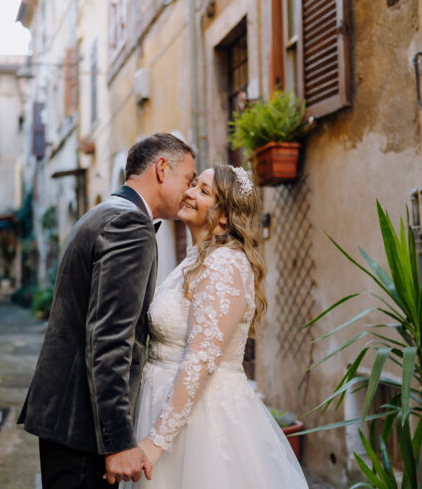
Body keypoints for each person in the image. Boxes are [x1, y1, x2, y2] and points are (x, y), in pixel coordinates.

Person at [18, 133, 196, 489]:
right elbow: (109, 340)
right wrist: (117, 443)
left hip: (66, 420)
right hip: (83, 429)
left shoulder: (104, 213)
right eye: (189, 179)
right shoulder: (130, 226)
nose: (189, 191)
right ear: (162, 169)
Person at [125, 164, 308, 488]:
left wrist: (156, 441)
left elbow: (202, 358)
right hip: (165, 406)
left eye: (203, 191)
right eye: (194, 184)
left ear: (224, 217)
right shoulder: (194, 261)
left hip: (202, 422)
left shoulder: (225, 263)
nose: (189, 192)